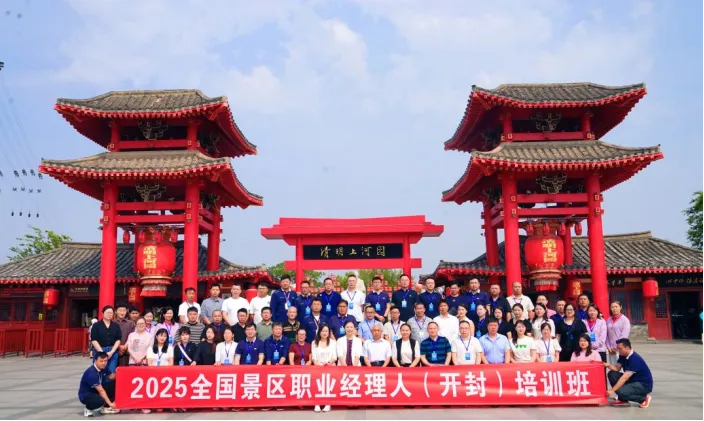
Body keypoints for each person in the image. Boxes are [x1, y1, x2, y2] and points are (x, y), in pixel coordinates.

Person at [604, 338, 653, 408]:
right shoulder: (623, 355)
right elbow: (617, 368)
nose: (618, 350)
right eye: (618, 348)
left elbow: (624, 378)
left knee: (621, 392)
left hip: (643, 385)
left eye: (620, 348)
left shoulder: (634, 359)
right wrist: (607, 365)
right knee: (612, 374)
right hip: (632, 381)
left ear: (627, 348)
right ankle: (623, 400)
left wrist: (612, 390)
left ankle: (643, 399)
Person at [78, 352, 119, 417]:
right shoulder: (91, 373)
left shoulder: (104, 367)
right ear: (95, 360)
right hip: (86, 395)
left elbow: (111, 377)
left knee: (113, 384)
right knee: (100, 401)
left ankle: (105, 407)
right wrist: (111, 404)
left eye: (105, 361)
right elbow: (101, 391)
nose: (103, 363)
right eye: (101, 361)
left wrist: (119, 372)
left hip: (96, 391)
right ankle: (88, 409)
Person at [90, 306, 122, 374]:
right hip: (100, 350)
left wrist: (112, 351)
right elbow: (94, 340)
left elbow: (118, 339)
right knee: (99, 372)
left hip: (112, 351)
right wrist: (102, 353)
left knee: (111, 372)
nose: (109, 314)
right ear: (102, 313)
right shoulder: (96, 325)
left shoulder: (116, 325)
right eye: (107, 313)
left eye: (111, 313)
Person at [312, 325, 336, 413]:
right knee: (318, 384)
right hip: (318, 367)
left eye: (326, 331)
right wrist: (319, 366)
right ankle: (317, 403)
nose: (324, 333)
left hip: (330, 366)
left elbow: (334, 356)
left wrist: (328, 363)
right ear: (319, 332)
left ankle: (328, 403)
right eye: (322, 331)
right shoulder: (314, 343)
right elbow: (314, 358)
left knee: (328, 384)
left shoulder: (333, 342)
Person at [606, 301, 631, 365]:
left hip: (621, 349)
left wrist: (616, 347)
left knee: (621, 366)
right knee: (613, 367)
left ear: (620, 307)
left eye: (616, 307)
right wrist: (608, 347)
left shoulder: (625, 320)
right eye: (612, 307)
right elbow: (607, 335)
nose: (614, 309)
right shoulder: (608, 320)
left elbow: (624, 335)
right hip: (611, 349)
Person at [114, 302, 135, 367]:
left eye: (124, 310)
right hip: (114, 351)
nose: (122, 312)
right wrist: (119, 346)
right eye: (120, 310)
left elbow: (133, 337)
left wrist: (125, 346)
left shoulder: (131, 323)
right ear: (116, 312)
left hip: (127, 352)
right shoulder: (112, 323)